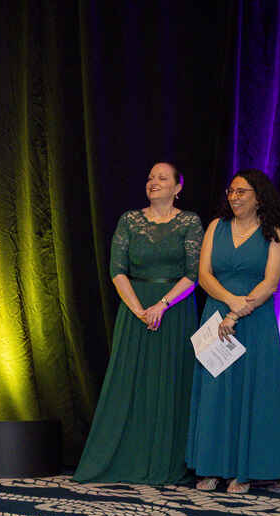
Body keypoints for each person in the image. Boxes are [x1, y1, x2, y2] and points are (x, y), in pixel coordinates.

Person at [73, 162, 203, 485]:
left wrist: (162, 306)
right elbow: (117, 270)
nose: (153, 182)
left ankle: (167, 460)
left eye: (162, 178)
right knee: (129, 383)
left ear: (178, 187)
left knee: (171, 383)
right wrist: (140, 310)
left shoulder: (190, 222)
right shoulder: (129, 220)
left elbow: (193, 274)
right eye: (150, 178)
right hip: (136, 311)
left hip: (174, 311)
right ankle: (125, 458)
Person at [187, 168, 280, 493]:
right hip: (216, 316)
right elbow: (204, 275)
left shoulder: (274, 232)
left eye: (241, 192)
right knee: (215, 393)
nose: (234, 197)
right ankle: (210, 467)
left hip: (254, 321)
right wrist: (229, 302)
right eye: (231, 191)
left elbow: (270, 283)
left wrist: (236, 312)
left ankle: (243, 471)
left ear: (258, 197)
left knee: (250, 393)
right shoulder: (216, 227)